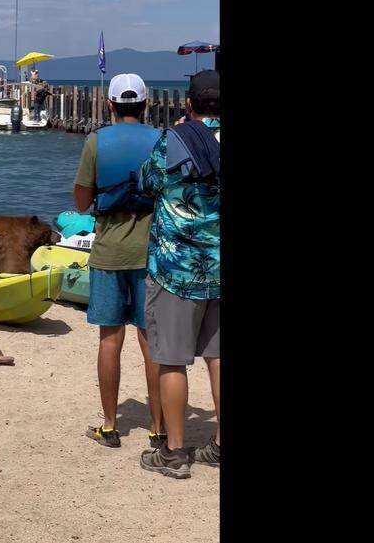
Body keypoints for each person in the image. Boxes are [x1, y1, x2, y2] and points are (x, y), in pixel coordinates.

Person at [135, 70, 221, 479]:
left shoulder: (175, 140)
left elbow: (147, 182)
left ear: (189, 103)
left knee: (171, 360)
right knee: (218, 357)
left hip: (177, 270)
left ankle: (173, 452)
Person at [73, 73, 166, 449]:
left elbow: (81, 203)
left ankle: (110, 426)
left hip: (109, 253)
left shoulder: (96, 142)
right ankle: (159, 428)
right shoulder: (161, 140)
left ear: (109, 104)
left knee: (110, 339)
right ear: (146, 105)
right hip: (152, 255)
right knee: (152, 342)